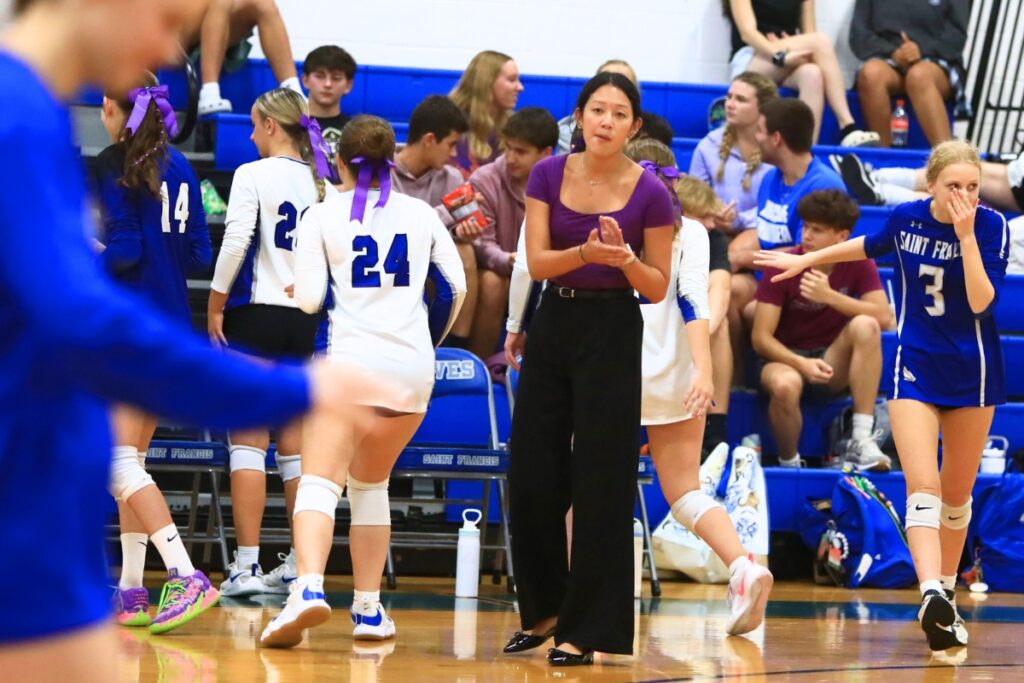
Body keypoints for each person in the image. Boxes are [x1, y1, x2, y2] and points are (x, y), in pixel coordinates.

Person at [0, 1, 407, 680]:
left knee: (127, 460)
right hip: (28, 529)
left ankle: (155, 577)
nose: (169, 55)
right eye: (167, 20)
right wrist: (298, 388)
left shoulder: (39, 120)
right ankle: (188, 568)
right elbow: (92, 322)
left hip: (49, 532)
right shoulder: (18, 119)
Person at [756, 140, 1009, 651]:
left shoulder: (990, 226)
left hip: (974, 373)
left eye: (973, 187)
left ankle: (947, 600)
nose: (965, 196)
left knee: (957, 498)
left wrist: (964, 237)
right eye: (953, 186)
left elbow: (984, 303)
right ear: (931, 185)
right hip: (915, 366)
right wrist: (808, 258)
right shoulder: (908, 218)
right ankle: (931, 590)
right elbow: (866, 245)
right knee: (923, 486)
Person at [259, 115, 467, 648]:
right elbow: (456, 288)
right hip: (412, 373)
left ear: (340, 162)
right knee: (372, 487)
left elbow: (308, 302)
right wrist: (426, 340)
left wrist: (291, 287)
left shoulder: (322, 216)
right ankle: (370, 611)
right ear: (391, 157)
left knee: (320, 482)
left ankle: (307, 589)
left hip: (350, 368)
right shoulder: (421, 214)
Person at [503, 71, 674, 666]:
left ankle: (587, 629)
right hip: (555, 322)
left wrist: (624, 259)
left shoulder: (652, 193)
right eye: (596, 110)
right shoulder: (549, 174)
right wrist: (586, 253)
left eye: (618, 113)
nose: (605, 121)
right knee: (530, 472)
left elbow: (655, 288)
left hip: (612, 329)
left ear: (634, 126)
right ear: (578, 117)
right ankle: (545, 610)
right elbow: (539, 263)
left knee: (602, 479)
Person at [624, 138, 774, 634]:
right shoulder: (693, 230)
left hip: (616, 369)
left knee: (584, 487)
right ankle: (741, 566)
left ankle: (580, 590)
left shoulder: (611, 226)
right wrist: (704, 370)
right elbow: (699, 303)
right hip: (681, 375)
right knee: (685, 492)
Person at [95, 75, 217, 632]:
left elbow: (125, 248)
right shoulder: (184, 165)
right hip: (171, 324)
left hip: (130, 326)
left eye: (105, 106)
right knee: (132, 461)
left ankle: (185, 574)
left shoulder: (114, 162)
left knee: (113, 461)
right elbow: (198, 255)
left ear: (116, 112)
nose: (102, 114)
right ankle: (131, 590)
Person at [207, 87, 336, 598]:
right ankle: (302, 568)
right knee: (295, 450)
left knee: (248, 443)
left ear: (270, 125)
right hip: (303, 319)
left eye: (255, 125)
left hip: (255, 316)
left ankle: (244, 566)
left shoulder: (251, 175)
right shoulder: (320, 181)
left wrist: (215, 302)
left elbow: (237, 239)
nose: (251, 134)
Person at [752, 189, 892, 469]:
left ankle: (861, 440)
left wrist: (829, 296)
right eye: (805, 226)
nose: (806, 236)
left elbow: (883, 315)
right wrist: (800, 363)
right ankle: (789, 463)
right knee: (785, 384)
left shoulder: (859, 263)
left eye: (817, 230)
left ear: (841, 237)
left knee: (867, 325)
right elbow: (760, 338)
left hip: (830, 360)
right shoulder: (784, 263)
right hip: (783, 359)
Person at [731, 98, 846, 393]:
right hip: (770, 279)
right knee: (724, 288)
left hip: (803, 287)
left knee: (746, 304)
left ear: (776, 138)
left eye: (759, 130)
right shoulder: (771, 177)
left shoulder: (823, 184)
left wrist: (742, 258)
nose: (755, 137)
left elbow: (805, 255)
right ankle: (735, 384)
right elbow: (765, 230)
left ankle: (747, 382)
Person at [722, 0, 880, 146]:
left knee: (812, 74)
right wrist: (779, 54)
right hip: (751, 57)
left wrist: (793, 47)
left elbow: (809, 35)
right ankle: (847, 125)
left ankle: (805, 149)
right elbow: (747, 32)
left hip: (785, 56)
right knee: (821, 41)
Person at [392, 95, 482, 348]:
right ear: (430, 140)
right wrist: (448, 212)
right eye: (451, 144)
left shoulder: (452, 176)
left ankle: (457, 347)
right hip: (393, 258)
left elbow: (465, 231)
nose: (454, 154)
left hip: (433, 258)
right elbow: (398, 228)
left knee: (465, 252)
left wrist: (465, 232)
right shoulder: (383, 171)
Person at [468, 107, 558, 360]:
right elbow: (482, 245)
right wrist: (510, 259)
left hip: (546, 276)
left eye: (520, 151)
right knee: (492, 282)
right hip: (501, 273)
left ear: (546, 153)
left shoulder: (567, 185)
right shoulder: (484, 180)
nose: (509, 157)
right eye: (507, 147)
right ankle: (481, 366)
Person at [672, 175, 735, 453]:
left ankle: (715, 429)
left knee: (720, 325)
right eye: (704, 217)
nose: (712, 224)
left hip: (690, 317)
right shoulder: (652, 232)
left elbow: (720, 286)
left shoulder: (714, 237)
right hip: (655, 316)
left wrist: (701, 331)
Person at [850, 0, 969, 147]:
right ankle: (883, 159)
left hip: (936, 61)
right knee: (870, 74)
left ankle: (947, 161)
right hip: (889, 58)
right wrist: (893, 52)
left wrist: (921, 50)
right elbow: (858, 36)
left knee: (918, 76)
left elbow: (956, 37)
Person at [689, 72, 778, 235]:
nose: (729, 104)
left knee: (738, 252)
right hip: (714, 227)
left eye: (741, 99)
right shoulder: (709, 145)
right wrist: (715, 212)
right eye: (729, 97)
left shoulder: (776, 146)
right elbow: (694, 196)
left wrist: (739, 220)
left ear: (763, 107)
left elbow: (781, 203)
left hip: (762, 228)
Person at [192, 0, 303, 115]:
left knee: (263, 3)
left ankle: (293, 93)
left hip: (214, 21)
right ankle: (209, 92)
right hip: (180, 29)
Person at [832, 150, 1024, 216]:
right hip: (1014, 177)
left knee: (949, 194)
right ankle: (877, 178)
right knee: (954, 168)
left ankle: (882, 191)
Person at [449, 50, 524, 176]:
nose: (520, 87)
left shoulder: (513, 125)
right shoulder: (448, 122)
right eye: (512, 80)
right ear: (487, 82)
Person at [556, 60, 638, 155]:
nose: (614, 88)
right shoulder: (565, 132)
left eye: (624, 84)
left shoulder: (647, 132)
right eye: (598, 110)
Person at [302, 45, 358, 172]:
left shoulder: (358, 132)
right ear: (305, 80)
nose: (327, 84)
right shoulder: (289, 126)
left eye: (336, 78)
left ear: (348, 85)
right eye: (320, 76)